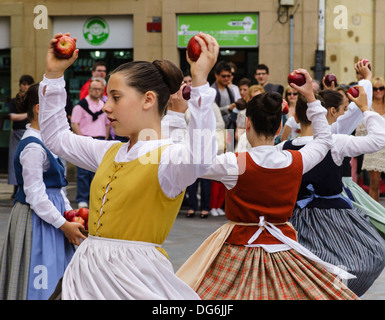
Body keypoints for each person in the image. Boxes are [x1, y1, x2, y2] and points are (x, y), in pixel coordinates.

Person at [39, 32, 219, 300]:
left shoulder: (168, 160)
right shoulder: (109, 151)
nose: (106, 107)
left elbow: (202, 156)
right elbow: (56, 138)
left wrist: (201, 83)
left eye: (116, 97)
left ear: (148, 100)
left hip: (135, 282)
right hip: (83, 276)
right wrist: (53, 76)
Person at [176, 69, 358, 300]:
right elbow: (324, 139)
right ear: (279, 128)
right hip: (284, 249)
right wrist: (311, 98)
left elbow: (196, 162)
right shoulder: (295, 161)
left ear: (248, 123)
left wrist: (177, 114)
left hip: (238, 249)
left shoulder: (235, 164)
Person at [282, 86, 385, 297]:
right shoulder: (335, 143)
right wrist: (365, 107)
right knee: (367, 257)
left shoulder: (284, 147)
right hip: (336, 219)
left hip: (295, 219)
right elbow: (379, 139)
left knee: (306, 265)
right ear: (321, 114)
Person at [0, 83, 77, 300]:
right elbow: (35, 195)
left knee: (55, 275)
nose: (62, 114)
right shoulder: (33, 147)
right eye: (58, 107)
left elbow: (58, 187)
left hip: (52, 218)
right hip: (37, 220)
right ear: (38, 109)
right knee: (40, 276)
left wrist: (70, 214)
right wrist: (64, 224)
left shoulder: (47, 141)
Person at [71, 78, 110, 209]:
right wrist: (82, 139)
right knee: (83, 172)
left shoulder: (104, 107)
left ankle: (95, 197)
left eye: (99, 89)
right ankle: (82, 198)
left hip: (100, 141)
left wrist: (106, 139)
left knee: (98, 172)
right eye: (94, 88)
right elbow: (74, 123)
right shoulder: (80, 106)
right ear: (89, 89)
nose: (96, 91)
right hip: (85, 140)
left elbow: (108, 124)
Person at [356, 76, 385, 202]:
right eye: (375, 89)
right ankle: (376, 217)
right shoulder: (367, 106)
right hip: (374, 147)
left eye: (381, 88)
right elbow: (360, 129)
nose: (378, 91)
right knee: (374, 185)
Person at [8, 75, 35, 198]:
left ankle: (28, 188)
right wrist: (27, 114)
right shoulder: (14, 100)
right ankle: (16, 188)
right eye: (23, 84)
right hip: (17, 132)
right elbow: (13, 117)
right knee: (15, 160)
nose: (25, 87)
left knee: (30, 160)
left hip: (30, 132)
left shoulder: (33, 101)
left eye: (28, 84)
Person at [211, 61, 236, 128]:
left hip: (230, 128)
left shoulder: (230, 90)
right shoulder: (211, 92)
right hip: (216, 128)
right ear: (216, 75)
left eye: (228, 76)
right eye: (223, 76)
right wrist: (228, 108)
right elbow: (211, 112)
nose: (226, 78)